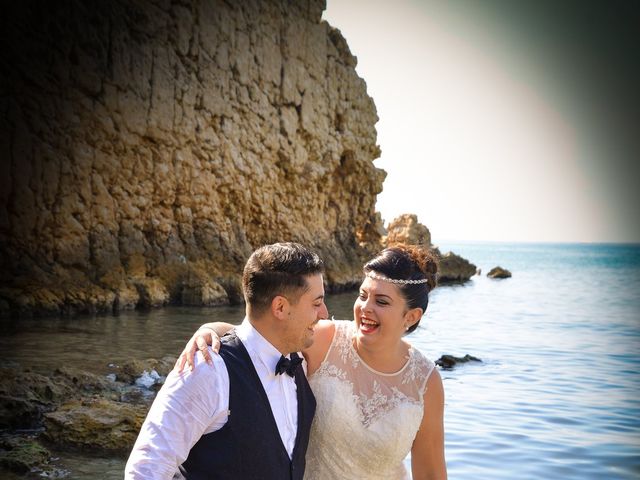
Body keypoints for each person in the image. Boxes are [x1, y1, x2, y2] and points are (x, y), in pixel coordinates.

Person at [179, 244, 447, 479]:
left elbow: (432, 474)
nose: (365, 308)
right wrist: (210, 329)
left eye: (382, 301)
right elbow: (260, 336)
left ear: (411, 316)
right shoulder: (323, 340)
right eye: (363, 295)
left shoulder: (425, 381)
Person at [125, 242, 328, 479]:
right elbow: (146, 469)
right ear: (280, 307)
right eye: (316, 303)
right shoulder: (207, 370)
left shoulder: (302, 359)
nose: (324, 313)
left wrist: (212, 326)